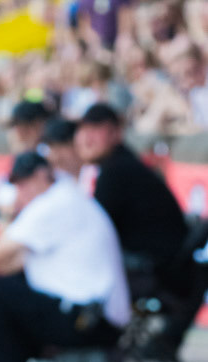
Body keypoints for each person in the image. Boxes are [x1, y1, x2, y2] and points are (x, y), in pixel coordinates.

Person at [0, 152, 131, 362]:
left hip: (89, 320)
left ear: (42, 176)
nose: (20, 192)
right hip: (94, 316)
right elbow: (11, 264)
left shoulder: (54, 203)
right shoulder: (67, 197)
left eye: (23, 184)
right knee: (5, 287)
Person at [74, 101, 188, 298]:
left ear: (116, 133)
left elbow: (94, 230)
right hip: (162, 266)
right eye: (83, 129)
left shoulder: (116, 169)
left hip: (154, 270)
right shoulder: (119, 163)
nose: (87, 138)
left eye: (96, 129)